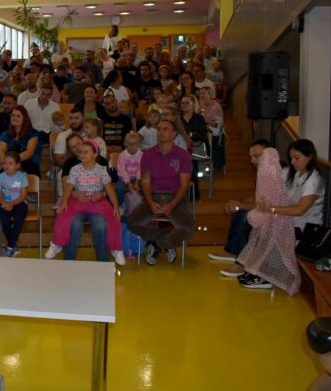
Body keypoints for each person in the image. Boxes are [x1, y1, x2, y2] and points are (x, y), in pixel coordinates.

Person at [47, 139, 125, 265]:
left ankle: (117, 249)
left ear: (95, 154)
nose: (82, 154)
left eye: (86, 152)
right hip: (78, 201)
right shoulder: (75, 169)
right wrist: (64, 202)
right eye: (80, 152)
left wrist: (115, 207)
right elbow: (68, 187)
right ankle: (57, 243)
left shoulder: (101, 170)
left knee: (114, 217)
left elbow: (110, 189)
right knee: (62, 214)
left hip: (97, 202)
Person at [128, 119, 194, 265]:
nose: (161, 132)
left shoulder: (183, 155)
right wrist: (150, 201)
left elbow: (184, 184)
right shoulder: (148, 155)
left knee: (188, 227)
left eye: (165, 129)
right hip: (153, 197)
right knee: (132, 223)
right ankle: (159, 240)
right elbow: (145, 181)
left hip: (175, 198)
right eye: (159, 129)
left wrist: (172, 204)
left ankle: (160, 245)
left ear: (174, 134)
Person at [235, 148, 301, 293]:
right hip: (275, 215)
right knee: (257, 234)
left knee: (267, 238)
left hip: (285, 219)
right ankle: (256, 271)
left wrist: (269, 211)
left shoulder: (275, 174)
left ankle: (264, 276)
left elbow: (277, 203)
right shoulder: (270, 174)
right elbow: (263, 202)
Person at [208, 140, 272, 273]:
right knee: (240, 211)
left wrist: (241, 205)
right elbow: (257, 197)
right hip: (267, 210)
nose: (252, 160)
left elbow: (267, 203)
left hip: (276, 214)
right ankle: (233, 251)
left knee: (245, 216)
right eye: (251, 157)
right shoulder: (263, 172)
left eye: (257, 156)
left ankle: (243, 263)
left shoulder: (275, 173)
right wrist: (237, 203)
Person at [0, 152, 29, 257]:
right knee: (4, 219)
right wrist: (5, 204)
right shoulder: (0, 177)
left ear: (17, 165)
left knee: (19, 219)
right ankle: (13, 246)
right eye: (5, 163)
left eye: (10, 163)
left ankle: (9, 247)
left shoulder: (22, 176)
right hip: (5, 204)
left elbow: (23, 196)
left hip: (20, 203)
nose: (7, 166)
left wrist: (11, 204)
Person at [0, 106, 41, 176]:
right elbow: (2, 150)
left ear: (24, 119)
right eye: (13, 115)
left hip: (26, 163)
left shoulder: (32, 134)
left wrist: (12, 161)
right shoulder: (5, 134)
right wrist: (5, 161)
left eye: (18, 116)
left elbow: (29, 152)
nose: (14, 118)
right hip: (8, 163)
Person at [115, 132, 143, 213]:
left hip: (137, 177)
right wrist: (128, 182)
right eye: (129, 144)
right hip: (124, 178)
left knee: (145, 185)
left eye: (134, 144)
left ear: (138, 145)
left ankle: (142, 204)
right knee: (119, 188)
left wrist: (137, 182)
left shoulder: (141, 155)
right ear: (125, 144)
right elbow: (122, 170)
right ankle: (121, 205)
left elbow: (140, 169)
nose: (131, 146)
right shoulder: (122, 155)